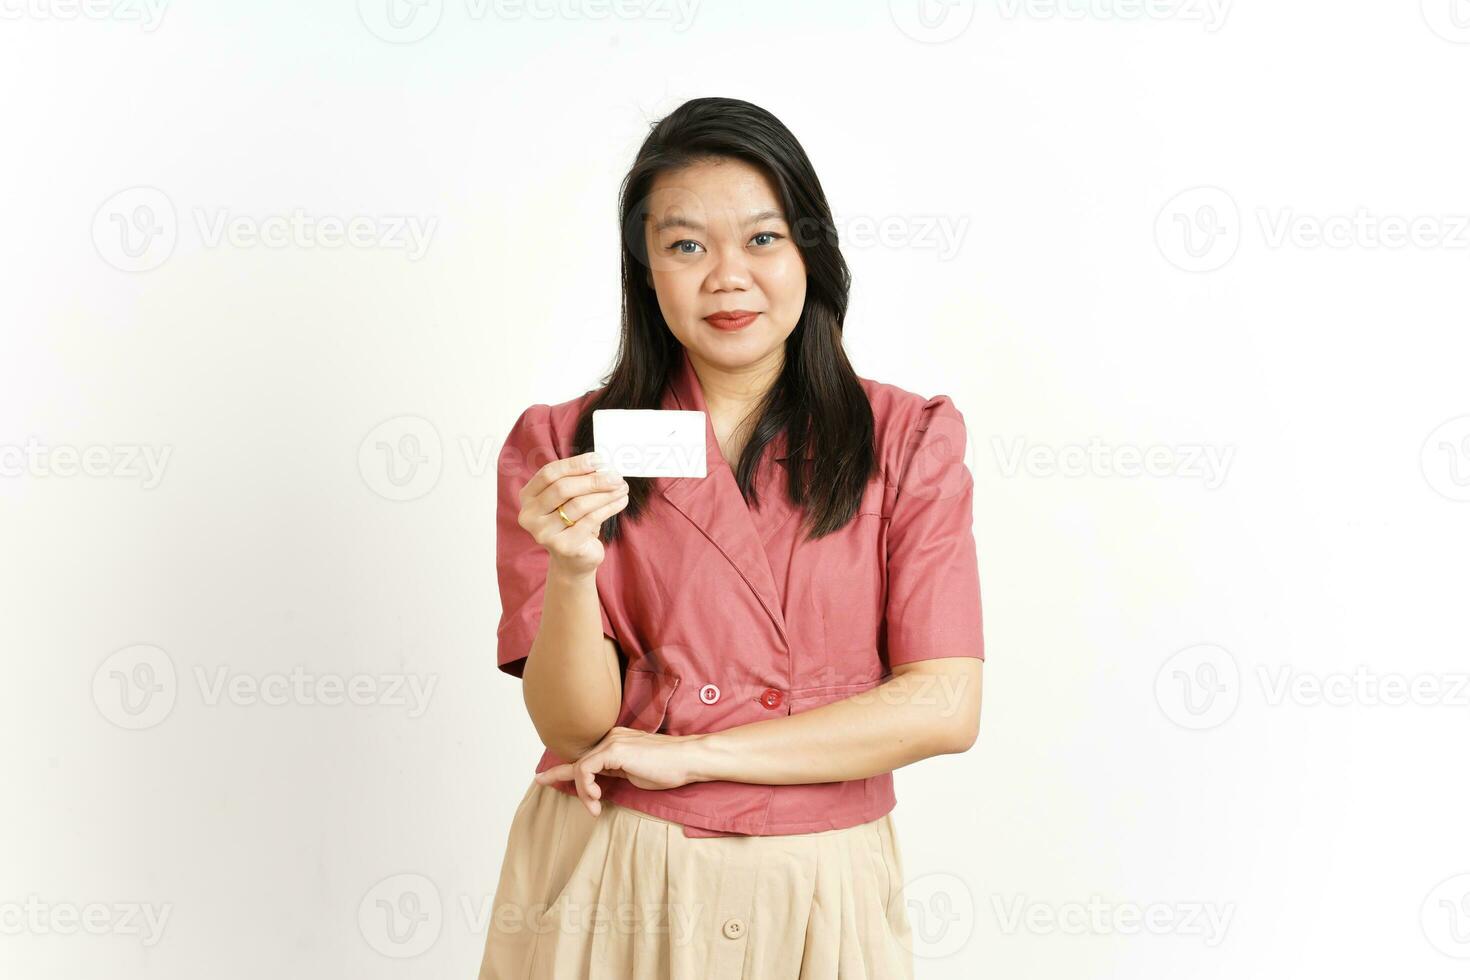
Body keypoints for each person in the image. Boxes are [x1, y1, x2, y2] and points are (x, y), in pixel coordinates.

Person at [478, 95, 984, 979]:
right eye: (685, 246)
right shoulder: (560, 446)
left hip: (822, 882)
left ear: (810, 254)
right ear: (645, 270)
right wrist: (570, 570)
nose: (726, 277)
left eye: (762, 239)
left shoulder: (906, 440)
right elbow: (573, 723)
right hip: (615, 871)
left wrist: (690, 758)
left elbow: (944, 706)